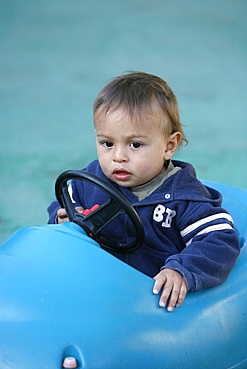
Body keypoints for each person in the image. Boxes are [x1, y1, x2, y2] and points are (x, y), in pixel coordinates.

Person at [48, 71, 240, 312]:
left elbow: (220, 240)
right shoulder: (91, 180)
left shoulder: (185, 198)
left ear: (169, 146)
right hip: (98, 290)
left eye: (135, 145)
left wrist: (181, 270)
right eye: (107, 143)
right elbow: (62, 202)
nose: (118, 157)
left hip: (148, 308)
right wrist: (61, 216)